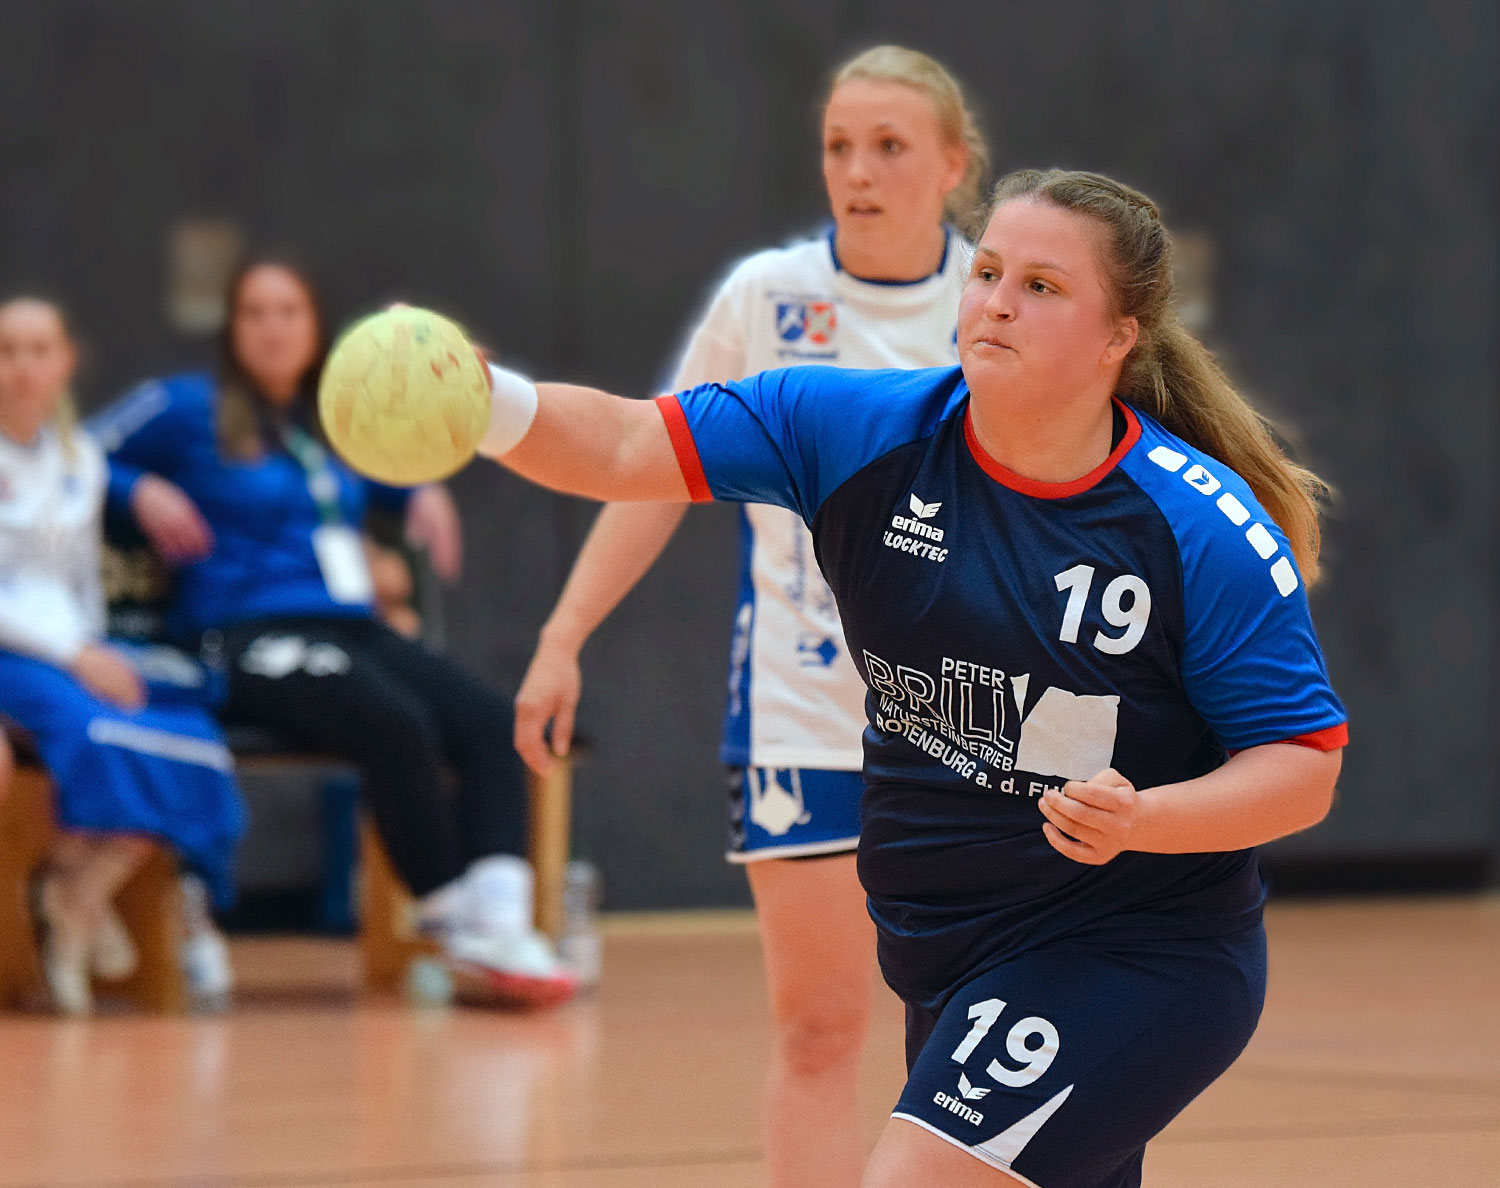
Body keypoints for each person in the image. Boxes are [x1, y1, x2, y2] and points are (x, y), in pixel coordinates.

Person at [467, 167, 1347, 1186]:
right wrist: (483, 403)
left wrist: (1140, 819)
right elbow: (626, 442)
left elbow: (1304, 766)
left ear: (1120, 337)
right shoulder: (856, 432)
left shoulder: (1196, 527)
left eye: (1044, 288)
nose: (997, 304)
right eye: (986, 273)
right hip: (948, 955)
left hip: (1134, 952)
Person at [515, 45, 986, 1186]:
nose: (858, 171)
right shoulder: (768, 299)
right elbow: (649, 466)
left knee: (969, 1036)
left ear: (955, 166)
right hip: (803, 707)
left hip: (977, 721)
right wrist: (561, 636)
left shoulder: (997, 303)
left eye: (889, 146)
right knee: (822, 1028)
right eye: (838, 146)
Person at [91, 258, 576, 1007]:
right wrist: (138, 487)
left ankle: (504, 924)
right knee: (396, 725)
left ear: (315, 328)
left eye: (289, 311)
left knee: (487, 719)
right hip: (243, 635)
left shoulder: (336, 413)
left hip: (347, 627)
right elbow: (70, 458)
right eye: (255, 312)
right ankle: (450, 918)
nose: (273, 327)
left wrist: (421, 490)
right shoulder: (184, 406)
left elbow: (394, 465)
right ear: (233, 328)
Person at [0, 296, 246, 1016]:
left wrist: (98, 650)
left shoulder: (82, 462)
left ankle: (78, 888)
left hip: (75, 647)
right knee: (95, 731)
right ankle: (69, 903)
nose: (22, 367)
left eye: (38, 350)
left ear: (66, 363)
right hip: (17, 653)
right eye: (7, 351)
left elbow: (77, 581)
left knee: (187, 730)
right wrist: (76, 655)